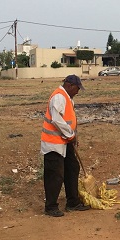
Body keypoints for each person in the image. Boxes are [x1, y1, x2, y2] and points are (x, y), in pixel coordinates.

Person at [41, 74, 90, 217]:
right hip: (53, 143)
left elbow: (70, 119)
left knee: (72, 168)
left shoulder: (68, 98)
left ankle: (72, 202)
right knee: (55, 174)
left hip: (66, 141)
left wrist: (74, 136)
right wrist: (70, 134)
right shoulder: (59, 97)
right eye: (77, 88)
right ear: (69, 85)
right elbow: (57, 120)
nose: (78, 91)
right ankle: (50, 206)